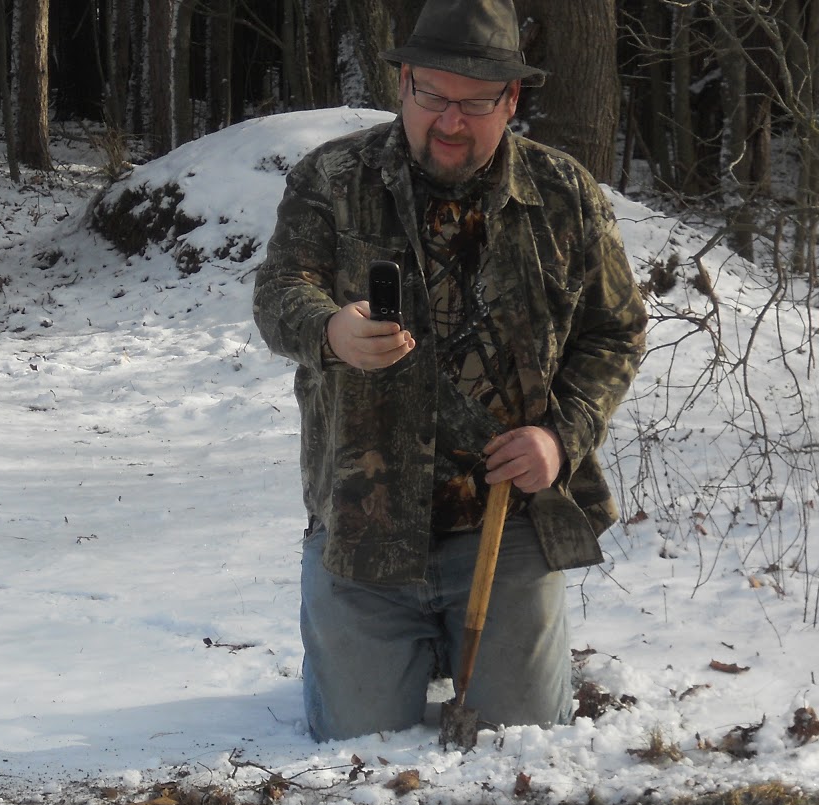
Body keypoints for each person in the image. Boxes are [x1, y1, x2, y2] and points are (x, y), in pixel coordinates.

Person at [253, 0, 646, 743]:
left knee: (520, 737)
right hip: (363, 522)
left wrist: (561, 438)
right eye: (431, 96)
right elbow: (278, 295)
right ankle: (377, 652)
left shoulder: (563, 195)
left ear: (512, 100)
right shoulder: (332, 178)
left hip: (507, 521)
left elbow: (615, 328)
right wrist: (329, 329)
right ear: (402, 84)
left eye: (473, 103)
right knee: (356, 742)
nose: (450, 122)